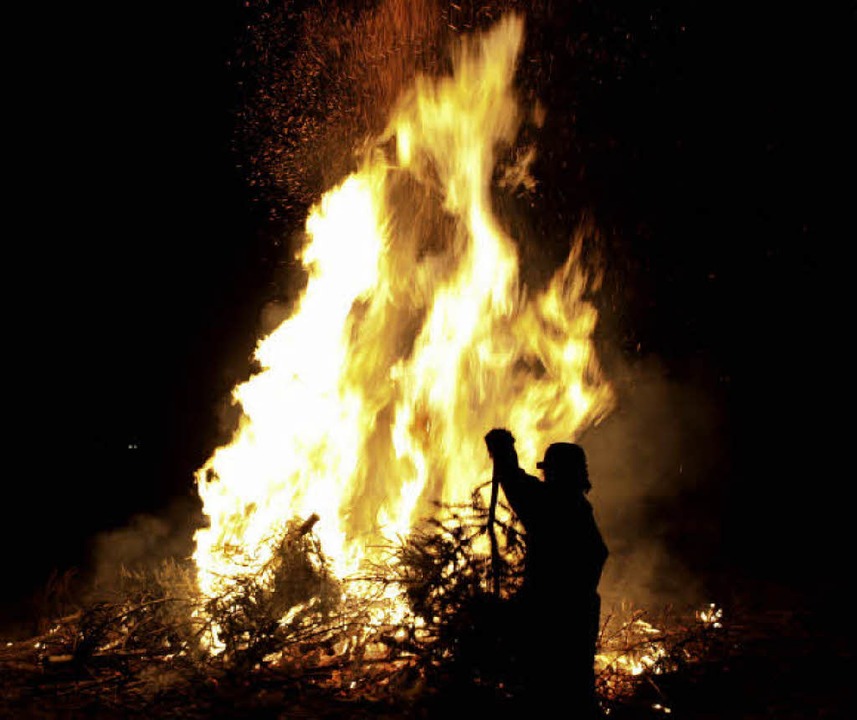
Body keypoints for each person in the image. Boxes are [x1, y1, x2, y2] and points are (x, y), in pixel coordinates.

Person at [484, 428, 608, 718]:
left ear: (554, 473)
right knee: (575, 690)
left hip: (550, 613)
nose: (546, 476)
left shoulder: (550, 504)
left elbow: (515, 482)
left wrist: (502, 450)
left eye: (549, 471)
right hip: (579, 612)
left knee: (545, 691)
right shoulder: (579, 506)